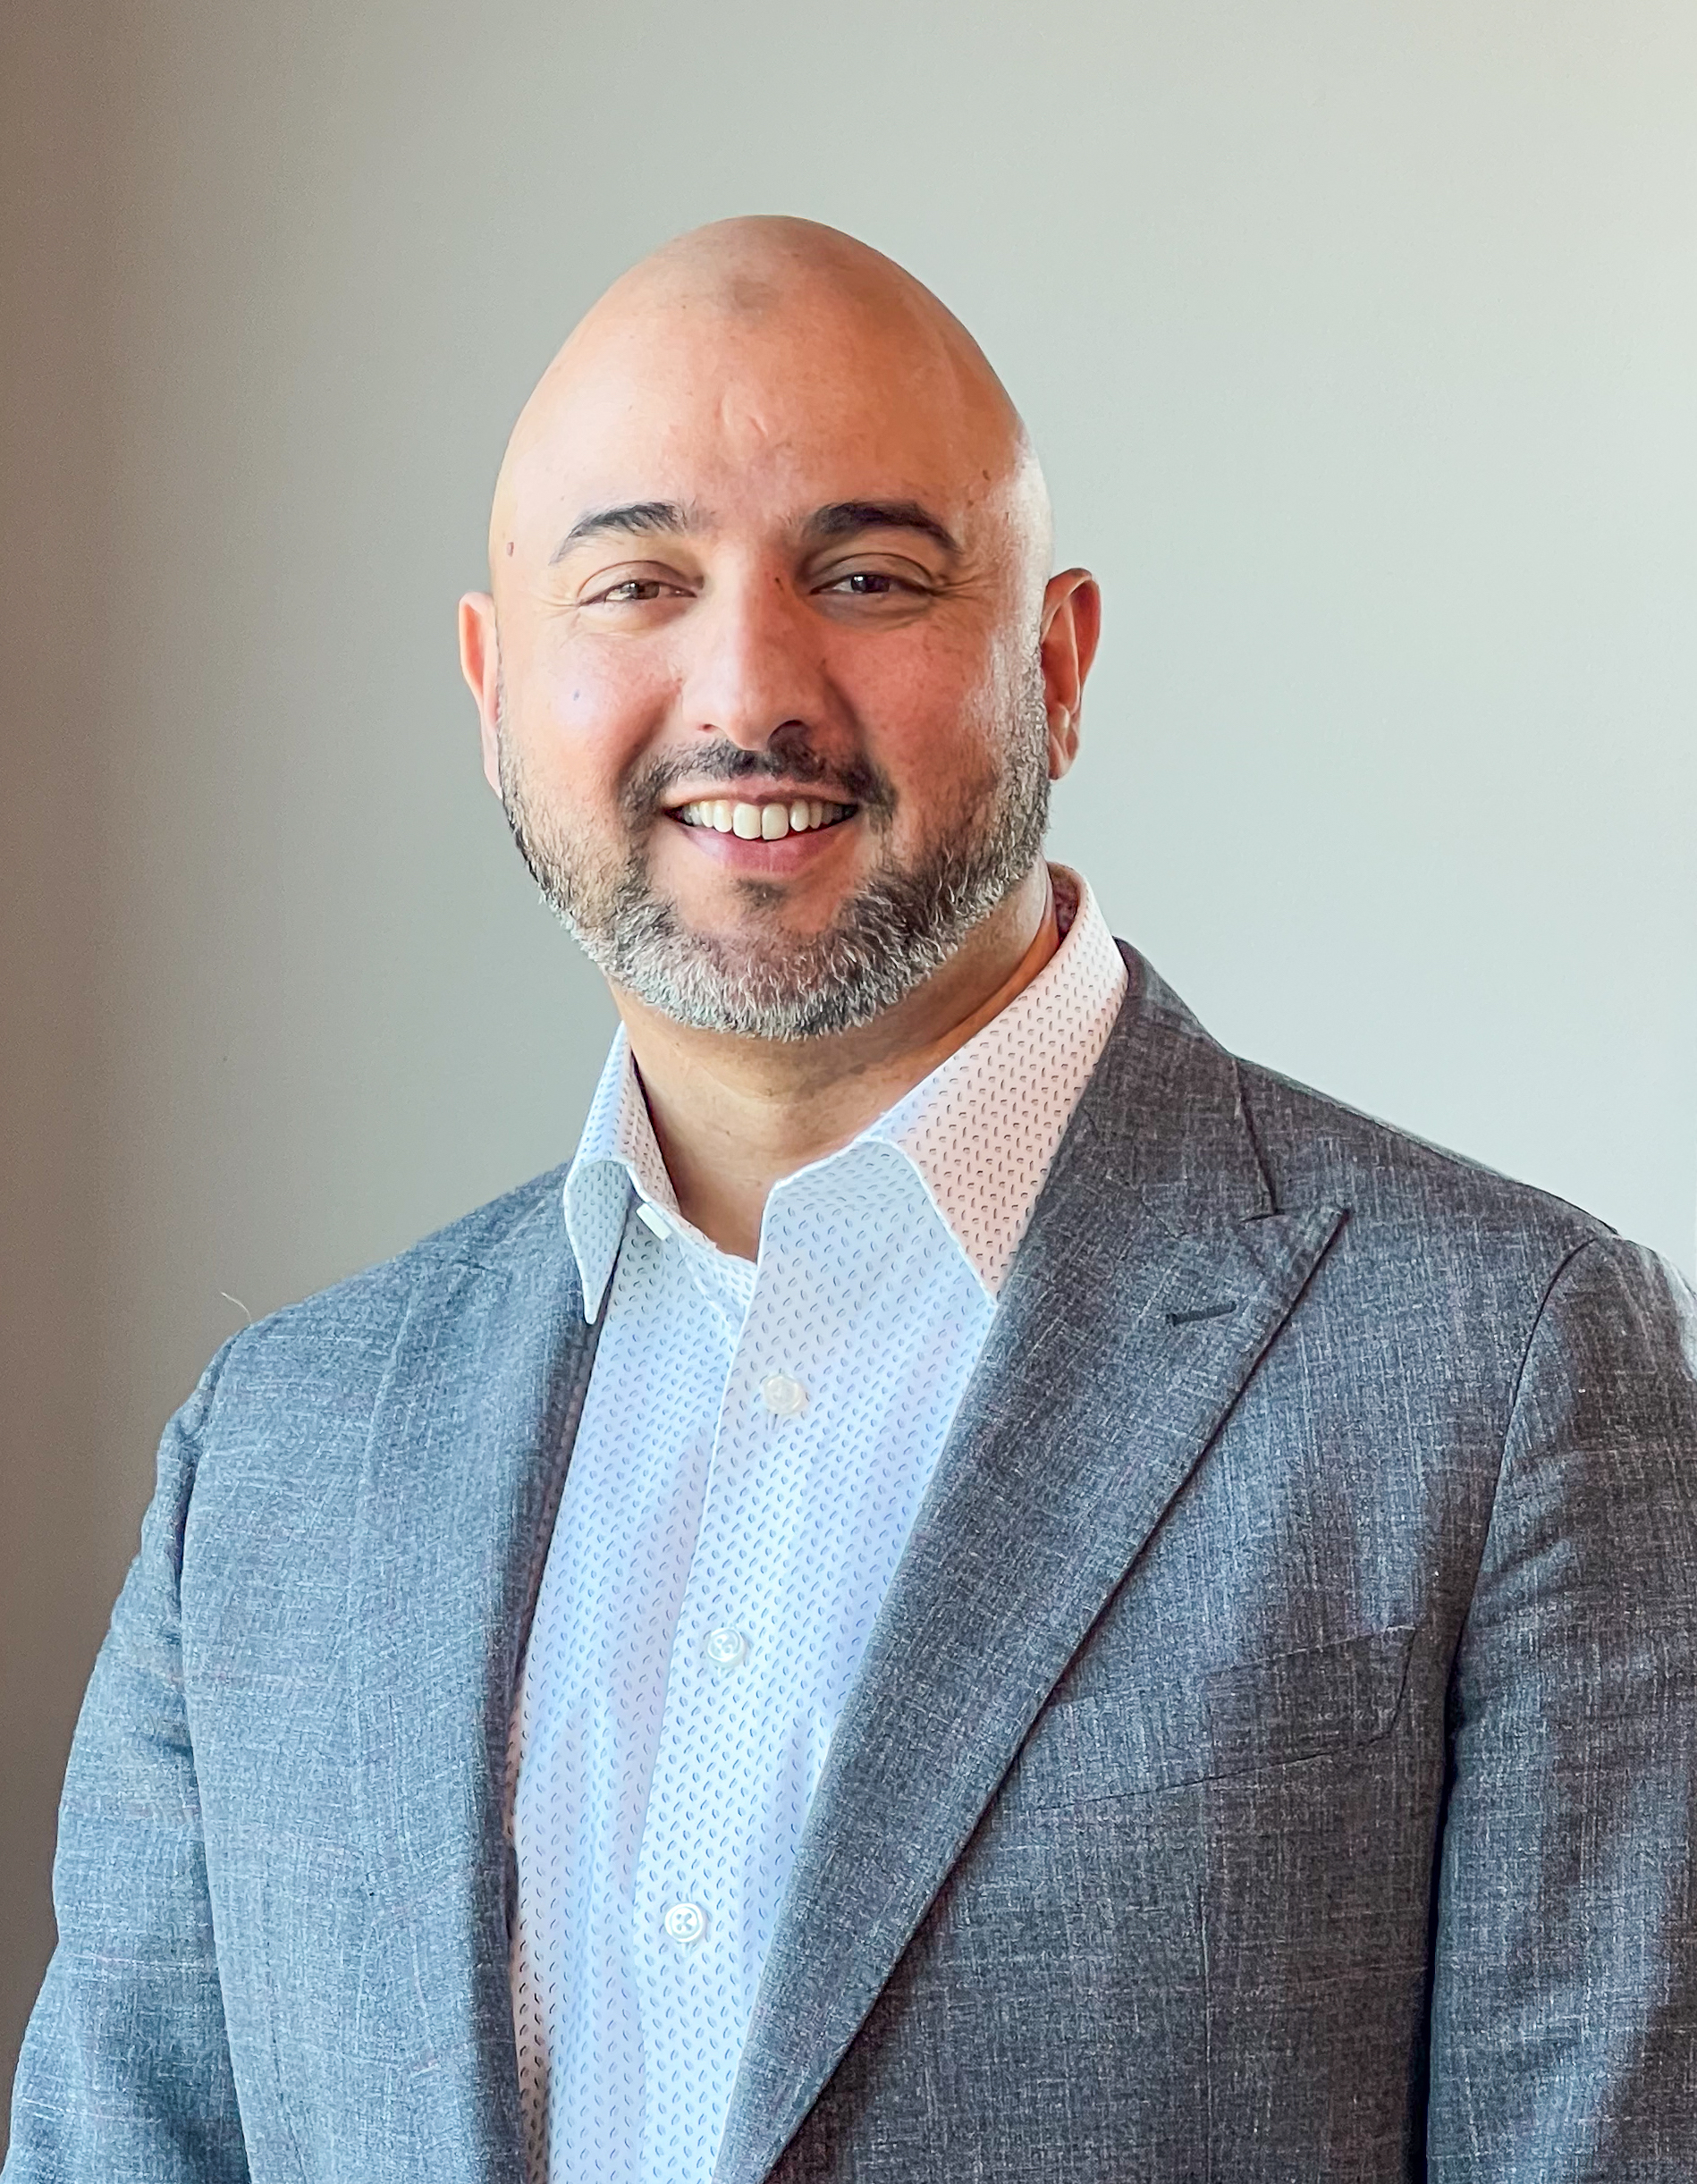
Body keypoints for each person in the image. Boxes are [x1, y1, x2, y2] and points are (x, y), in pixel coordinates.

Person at [6, 215, 1696, 2184]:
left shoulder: (1503, 1371)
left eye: (868, 574)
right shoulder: (275, 1456)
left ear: (1055, 663)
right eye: (636, 583)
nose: (750, 688)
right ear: (493, 685)